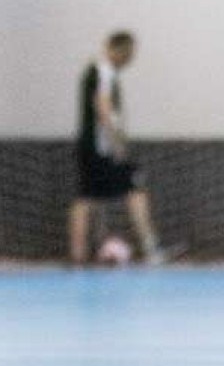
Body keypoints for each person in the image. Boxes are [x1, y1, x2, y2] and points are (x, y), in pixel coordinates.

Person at [66, 30, 176, 266]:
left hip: (90, 146)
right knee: (132, 190)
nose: (130, 60)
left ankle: (78, 256)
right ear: (118, 51)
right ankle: (151, 249)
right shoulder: (103, 71)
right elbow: (103, 109)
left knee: (86, 197)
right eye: (129, 54)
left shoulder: (93, 71)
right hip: (102, 148)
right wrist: (117, 144)